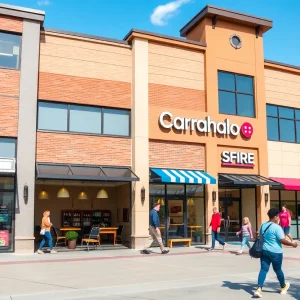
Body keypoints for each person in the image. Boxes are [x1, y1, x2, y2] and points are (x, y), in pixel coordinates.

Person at [254, 208, 297, 298]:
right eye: (278, 216)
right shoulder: (277, 227)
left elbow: (260, 236)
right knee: (278, 270)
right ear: (275, 217)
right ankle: (283, 286)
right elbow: (282, 240)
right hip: (276, 252)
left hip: (264, 251)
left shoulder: (263, 225)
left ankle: (259, 289)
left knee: (263, 269)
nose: (279, 218)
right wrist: (292, 244)